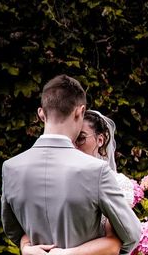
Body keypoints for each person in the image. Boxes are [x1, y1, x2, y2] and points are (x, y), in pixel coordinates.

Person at [1, 75, 141, 255]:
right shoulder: (96, 170)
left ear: (41, 114)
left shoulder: (10, 167)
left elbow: (13, 230)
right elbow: (131, 235)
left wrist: (26, 247)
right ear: (79, 112)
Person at [20, 109, 136, 255]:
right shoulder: (53, 178)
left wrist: (66, 254)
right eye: (70, 140)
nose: (73, 146)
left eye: (80, 138)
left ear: (100, 140)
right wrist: (26, 246)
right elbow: (34, 224)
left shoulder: (117, 183)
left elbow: (114, 244)